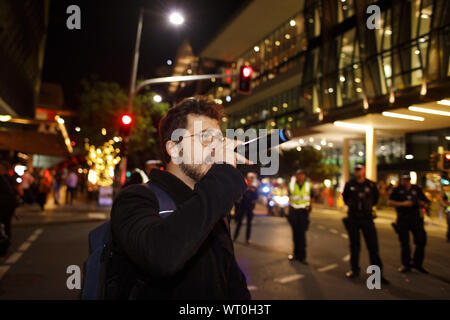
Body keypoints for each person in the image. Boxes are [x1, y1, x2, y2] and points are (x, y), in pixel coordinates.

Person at [109, 96, 251, 299]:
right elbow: (161, 257)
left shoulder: (210, 204)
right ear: (174, 149)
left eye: (219, 140)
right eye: (205, 138)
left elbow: (231, 282)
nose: (216, 148)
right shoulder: (135, 199)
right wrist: (222, 179)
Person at [342, 164, 389, 284]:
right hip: (353, 218)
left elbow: (375, 199)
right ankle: (354, 270)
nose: (358, 172)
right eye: (356, 170)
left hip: (367, 218)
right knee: (354, 246)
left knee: (373, 247)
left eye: (360, 170)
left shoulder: (370, 185)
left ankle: (377, 275)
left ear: (364, 171)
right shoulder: (350, 184)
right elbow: (345, 198)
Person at [388, 173, 430, 273]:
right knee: (404, 243)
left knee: (421, 241)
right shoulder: (397, 190)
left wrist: (422, 204)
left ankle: (417, 263)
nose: (406, 182)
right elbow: (389, 202)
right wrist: (403, 204)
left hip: (416, 218)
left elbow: (426, 202)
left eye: (407, 180)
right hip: (403, 218)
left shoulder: (416, 189)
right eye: (404, 180)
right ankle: (405, 264)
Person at [287, 169, 312, 264]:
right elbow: (289, 196)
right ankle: (295, 254)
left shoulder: (308, 185)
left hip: (303, 213)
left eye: (302, 175)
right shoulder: (292, 185)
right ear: (296, 176)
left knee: (302, 235)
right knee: (295, 234)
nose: (300, 176)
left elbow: (311, 197)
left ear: (304, 176)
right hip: (294, 212)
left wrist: (309, 208)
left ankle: (303, 256)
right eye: (298, 175)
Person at [233, 171, 259, 244]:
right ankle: (235, 237)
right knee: (239, 223)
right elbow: (238, 196)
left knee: (249, 224)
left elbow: (256, 197)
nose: (250, 181)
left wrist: (252, 191)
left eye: (251, 179)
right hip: (242, 207)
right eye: (249, 179)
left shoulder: (254, 189)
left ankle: (247, 239)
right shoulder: (243, 186)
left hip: (250, 208)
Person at [0, 161, 18, 256]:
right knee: (7, 224)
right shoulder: (12, 178)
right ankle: (6, 242)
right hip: (10, 205)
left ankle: (4, 245)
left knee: (4, 224)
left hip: (4, 205)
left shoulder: (2, 179)